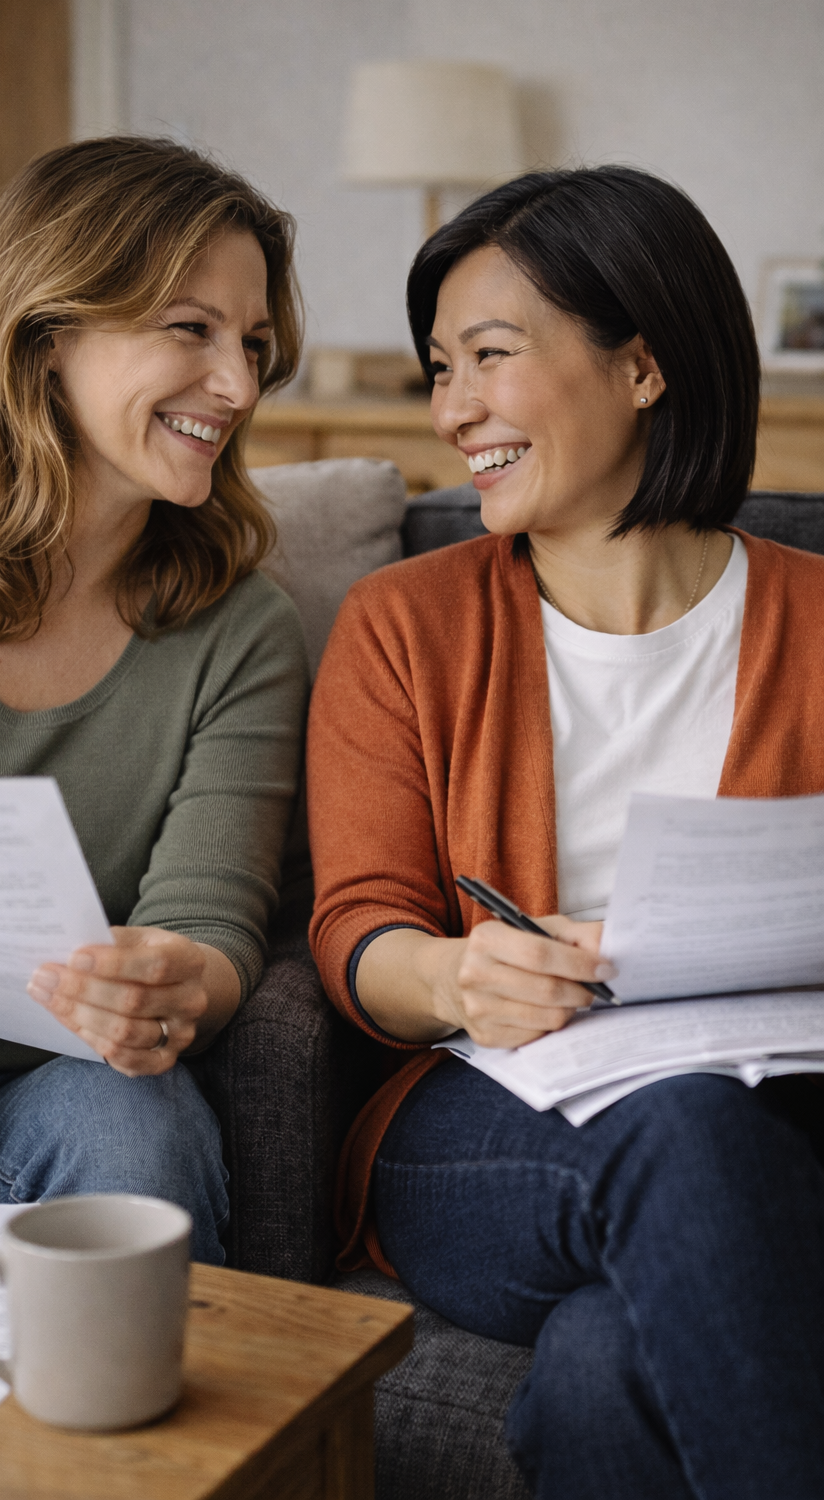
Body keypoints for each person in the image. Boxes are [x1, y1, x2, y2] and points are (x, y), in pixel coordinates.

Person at [307, 167, 824, 1496]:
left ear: (641, 366)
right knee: (687, 1134)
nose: (453, 409)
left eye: (491, 356)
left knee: (603, 1363)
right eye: (441, 369)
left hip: (790, 1110)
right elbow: (356, 923)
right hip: (493, 1132)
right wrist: (455, 975)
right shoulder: (404, 624)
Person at [0, 136, 309, 1265]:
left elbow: (208, 923)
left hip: (47, 1084)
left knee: (138, 1112)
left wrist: (179, 984)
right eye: (191, 328)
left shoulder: (241, 631)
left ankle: (143, 1447)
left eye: (255, 344)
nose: (236, 384)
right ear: (45, 334)